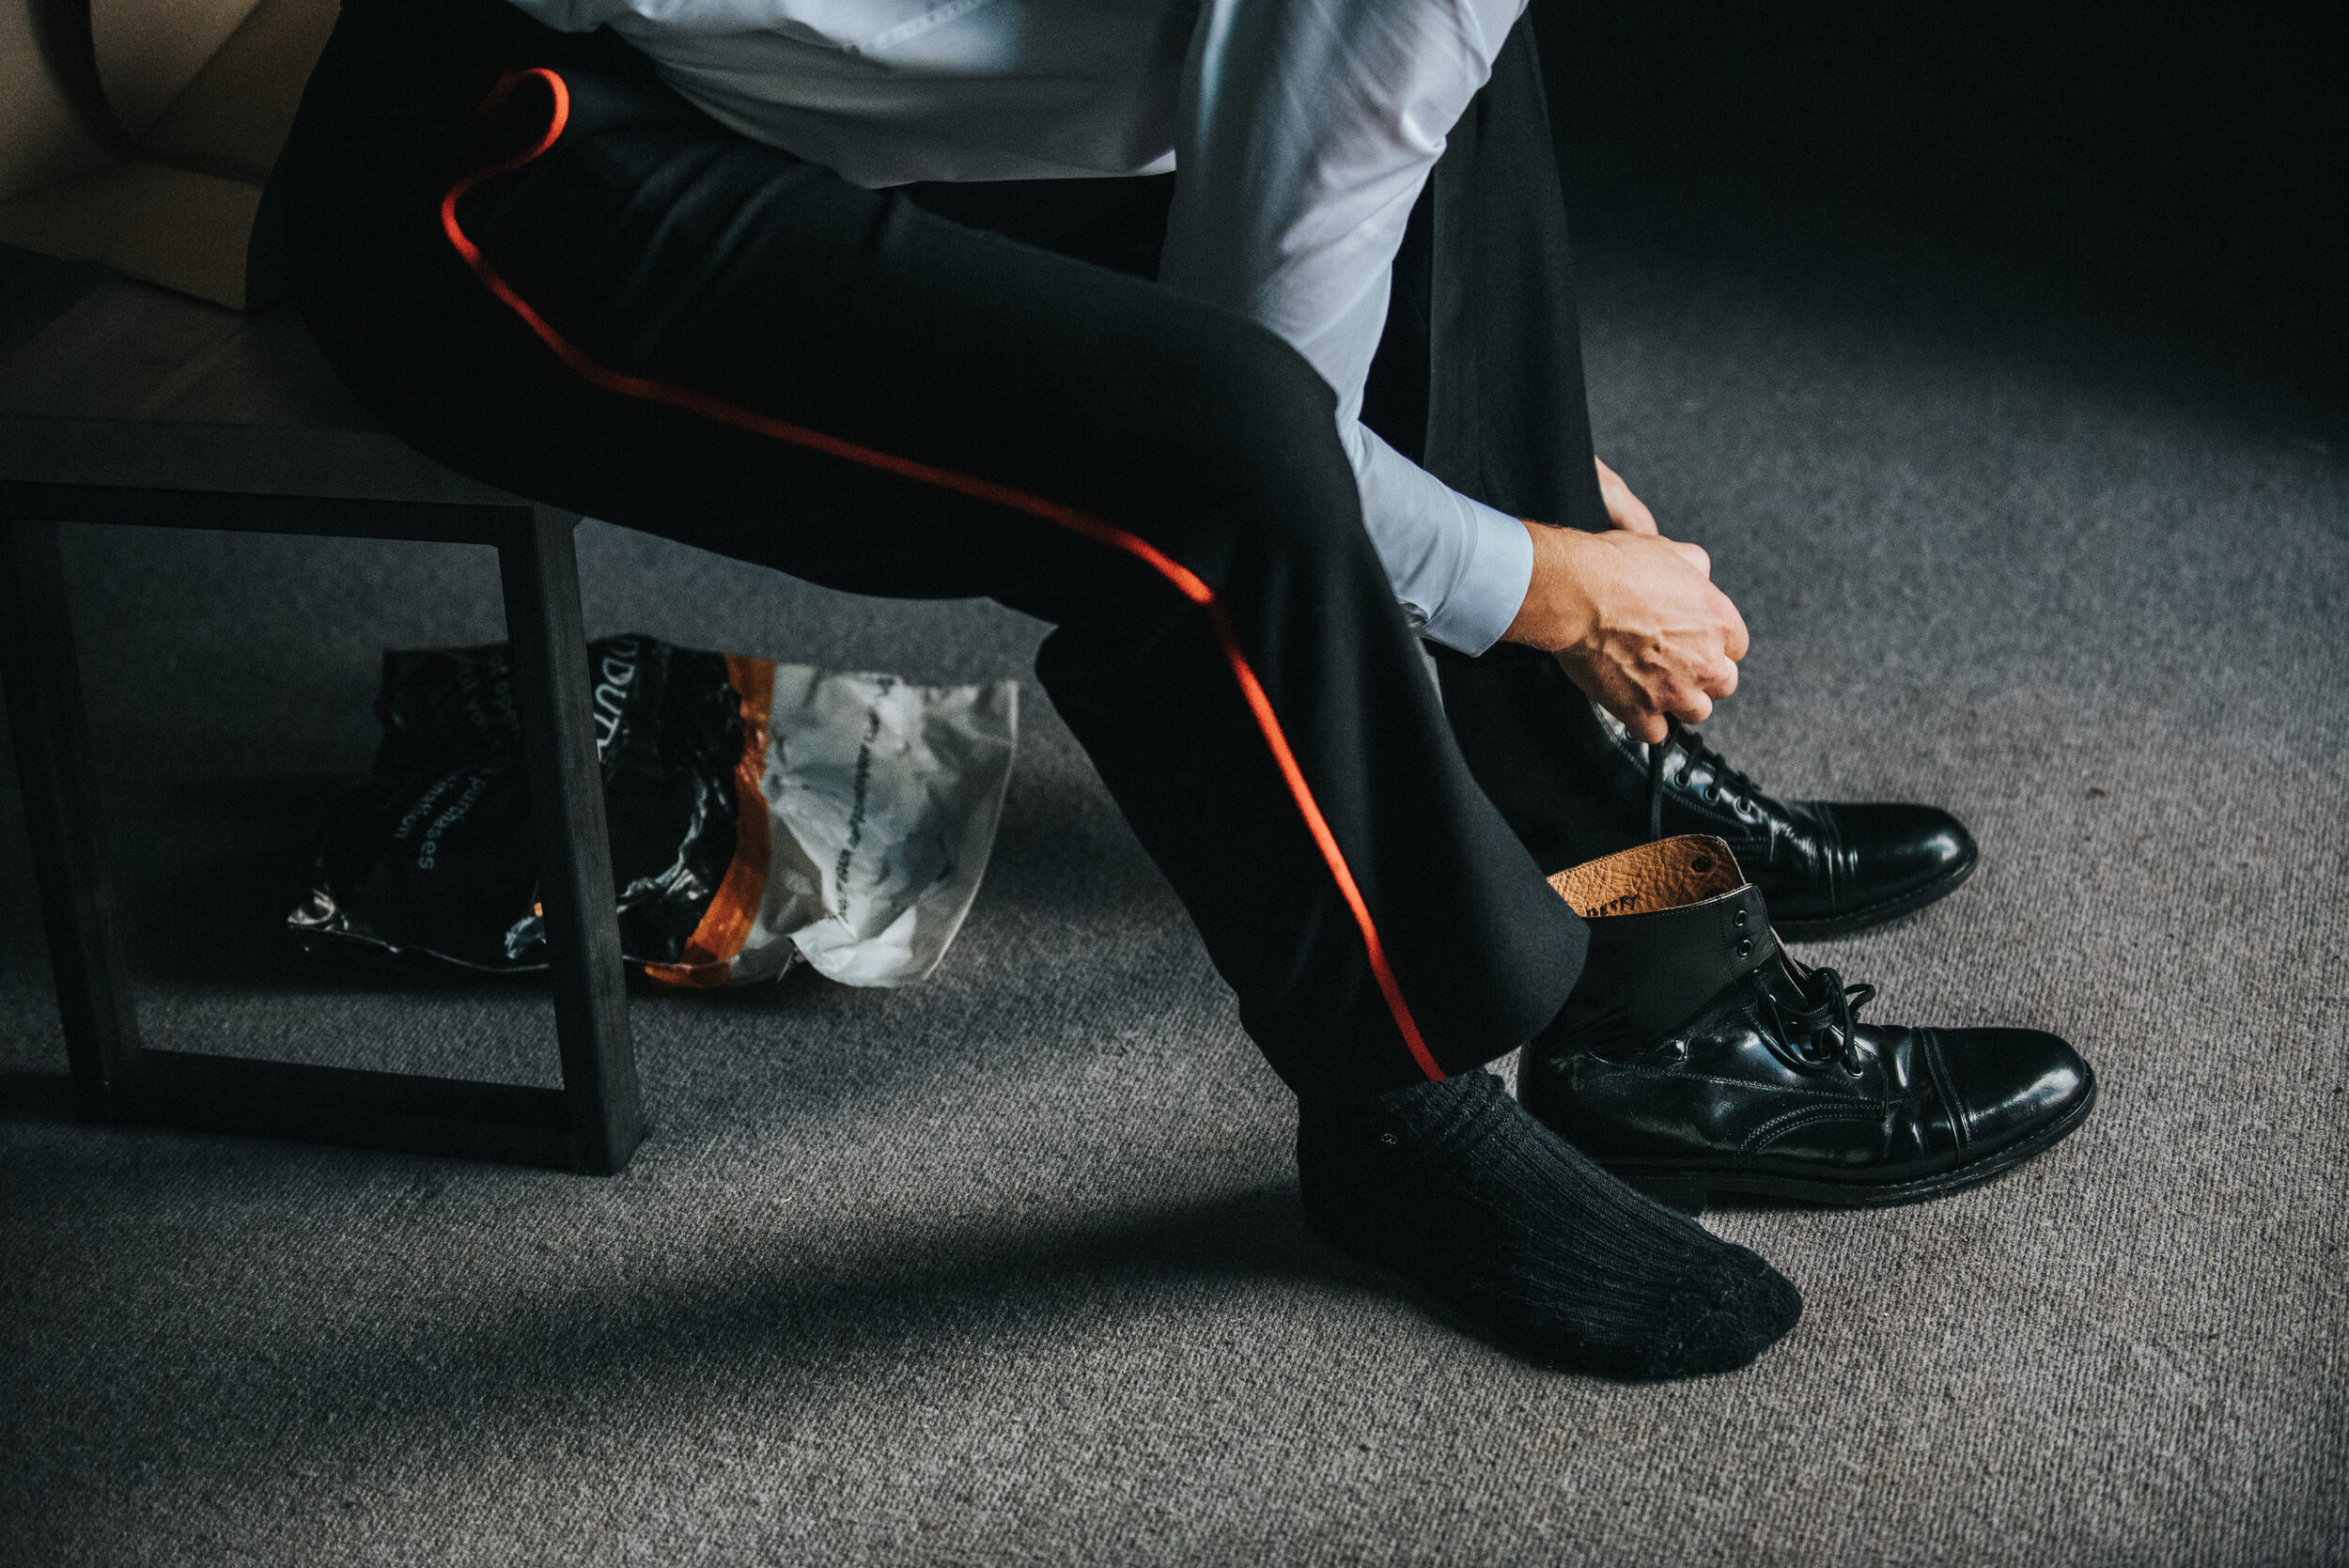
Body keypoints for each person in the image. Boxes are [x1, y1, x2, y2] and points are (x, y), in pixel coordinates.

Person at [277, 0, 2095, 1381]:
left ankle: (1602, 855)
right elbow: (1265, 420)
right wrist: (1540, 582)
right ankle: (1407, 1109)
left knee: (1452, 124)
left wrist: (1514, 506)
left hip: (781, 85)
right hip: (501, 169)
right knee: (1201, 460)